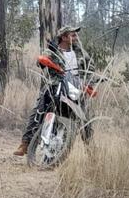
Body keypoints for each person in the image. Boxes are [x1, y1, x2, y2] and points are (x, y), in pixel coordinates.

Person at [14, 25, 93, 156]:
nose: (76, 37)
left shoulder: (81, 52)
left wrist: (90, 83)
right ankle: (25, 143)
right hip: (56, 85)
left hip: (76, 88)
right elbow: (41, 61)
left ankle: (90, 150)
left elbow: (91, 69)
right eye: (73, 35)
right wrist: (43, 61)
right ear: (64, 37)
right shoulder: (53, 50)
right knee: (39, 109)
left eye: (76, 35)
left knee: (86, 118)